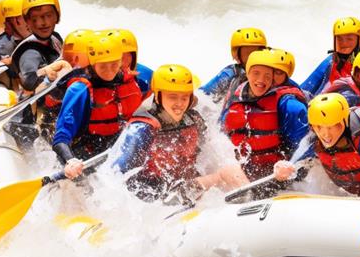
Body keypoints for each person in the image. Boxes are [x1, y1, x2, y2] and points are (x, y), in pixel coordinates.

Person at [112, 64, 249, 203]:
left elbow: (212, 153)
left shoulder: (193, 120)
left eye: (184, 97)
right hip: (154, 197)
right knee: (224, 175)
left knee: (233, 171)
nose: (180, 104)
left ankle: (250, 204)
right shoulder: (142, 128)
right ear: (158, 97)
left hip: (184, 189)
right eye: (172, 97)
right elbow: (117, 175)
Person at [274, 93, 360, 199]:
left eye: (333, 126)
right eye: (319, 127)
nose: (326, 135)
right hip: (351, 193)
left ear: (344, 121)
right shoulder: (312, 139)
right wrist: (283, 168)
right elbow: (293, 163)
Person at [53, 34, 145, 179]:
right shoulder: (80, 90)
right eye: (103, 65)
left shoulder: (130, 82)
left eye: (114, 64)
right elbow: (61, 137)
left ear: (120, 61)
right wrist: (70, 161)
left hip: (115, 150)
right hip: (83, 156)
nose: (109, 70)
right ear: (93, 63)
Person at [223, 48, 309, 181]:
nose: (261, 80)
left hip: (276, 176)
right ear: (247, 73)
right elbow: (222, 131)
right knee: (224, 171)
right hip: (246, 170)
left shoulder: (289, 105)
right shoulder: (237, 92)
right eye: (256, 73)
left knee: (228, 172)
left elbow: (306, 142)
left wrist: (290, 164)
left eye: (269, 76)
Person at [10, 0, 65, 96]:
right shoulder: (29, 52)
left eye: (48, 16)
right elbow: (28, 81)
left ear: (56, 16)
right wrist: (46, 71)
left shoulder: (55, 37)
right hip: (44, 104)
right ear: (27, 21)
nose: (43, 22)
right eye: (35, 18)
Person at [202, 27, 268, 113]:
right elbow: (203, 95)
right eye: (248, 53)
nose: (253, 58)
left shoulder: (269, 71)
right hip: (232, 116)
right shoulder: (231, 72)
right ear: (236, 55)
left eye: (257, 53)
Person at [300, 17, 360, 96]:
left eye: (349, 39)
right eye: (340, 39)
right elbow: (306, 87)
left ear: (359, 40)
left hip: (354, 104)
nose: (344, 43)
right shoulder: (331, 61)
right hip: (325, 104)